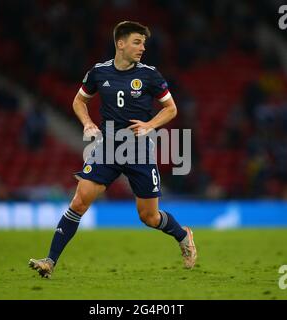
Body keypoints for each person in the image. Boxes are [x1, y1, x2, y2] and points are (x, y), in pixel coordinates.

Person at [29, 21, 197, 278]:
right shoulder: (99, 72)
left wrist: (150, 125)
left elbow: (171, 109)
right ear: (120, 43)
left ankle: (183, 234)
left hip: (139, 150)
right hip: (108, 147)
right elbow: (79, 101)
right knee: (79, 200)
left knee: (149, 217)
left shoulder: (150, 75)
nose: (142, 48)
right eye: (137, 42)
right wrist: (87, 124)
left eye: (143, 43)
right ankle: (50, 261)